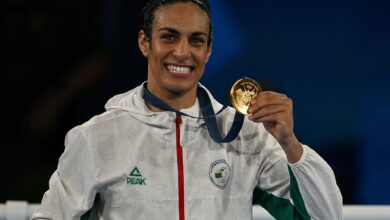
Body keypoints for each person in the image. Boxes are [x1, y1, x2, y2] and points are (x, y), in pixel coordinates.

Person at [31, 0, 343, 219]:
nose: (182, 52)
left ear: (208, 50)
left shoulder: (245, 137)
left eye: (196, 40)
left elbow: (326, 216)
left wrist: (291, 146)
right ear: (144, 43)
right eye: (169, 37)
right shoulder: (97, 137)